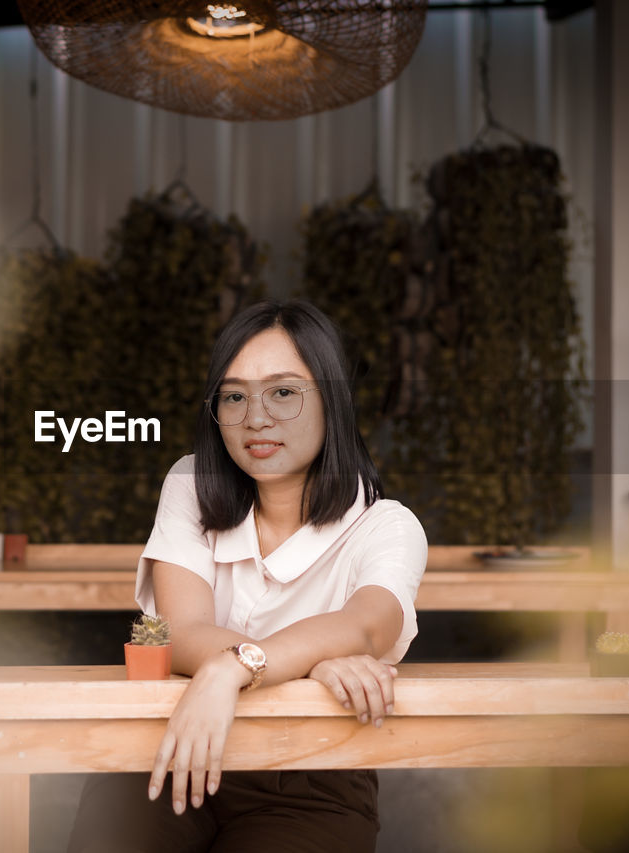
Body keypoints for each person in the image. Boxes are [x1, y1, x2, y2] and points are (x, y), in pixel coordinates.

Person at [67, 299, 428, 853]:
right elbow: (181, 632)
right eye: (234, 396)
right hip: (177, 747)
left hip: (314, 777)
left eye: (284, 392)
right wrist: (309, 659)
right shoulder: (190, 484)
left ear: (332, 400)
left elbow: (363, 629)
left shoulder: (388, 526)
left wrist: (226, 670)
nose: (256, 418)